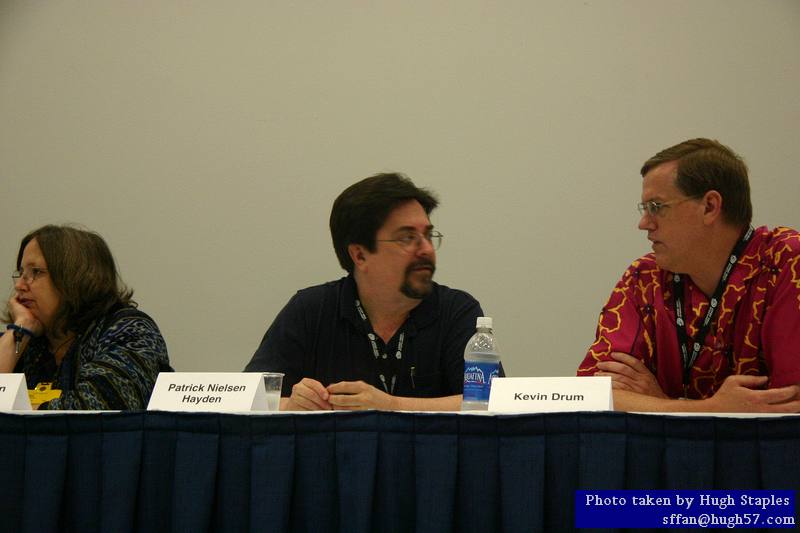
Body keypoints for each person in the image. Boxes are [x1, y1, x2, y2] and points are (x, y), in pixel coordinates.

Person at [578, 138, 800, 413]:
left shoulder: (787, 261)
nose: (644, 223)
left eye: (656, 207)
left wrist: (660, 405)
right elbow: (590, 393)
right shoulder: (645, 278)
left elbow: (789, 405)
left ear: (709, 206)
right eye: (644, 209)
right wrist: (708, 409)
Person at [245, 173, 487, 411]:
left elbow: (488, 402)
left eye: (426, 235)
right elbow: (248, 399)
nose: (425, 248)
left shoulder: (457, 311)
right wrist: (290, 406)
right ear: (360, 255)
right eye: (407, 237)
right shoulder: (310, 310)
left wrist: (391, 406)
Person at [1, 224, 172, 409]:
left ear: (74, 277)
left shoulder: (130, 330)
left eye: (36, 272)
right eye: (21, 273)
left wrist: (15, 408)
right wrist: (19, 330)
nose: (20, 285)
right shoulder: (28, 340)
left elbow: (98, 407)